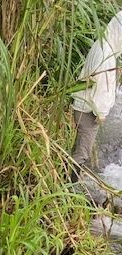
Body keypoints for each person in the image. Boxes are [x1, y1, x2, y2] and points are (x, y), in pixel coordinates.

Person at [71, 10, 122, 179]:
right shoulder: (107, 54)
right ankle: (68, 188)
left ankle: (65, 180)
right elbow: (101, 87)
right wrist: (101, 114)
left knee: (78, 149)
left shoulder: (101, 44)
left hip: (82, 105)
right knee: (82, 153)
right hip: (88, 111)